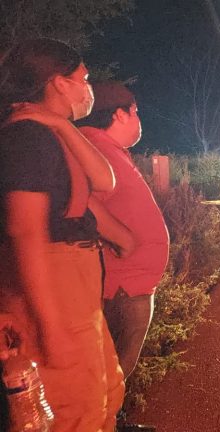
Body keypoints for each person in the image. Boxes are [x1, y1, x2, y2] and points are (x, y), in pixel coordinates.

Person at [0, 38, 124, 431]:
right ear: (58, 82)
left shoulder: (47, 132)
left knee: (102, 396)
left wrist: (58, 123)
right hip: (55, 289)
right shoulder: (26, 140)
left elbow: (105, 180)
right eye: (82, 77)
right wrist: (49, 325)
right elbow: (24, 232)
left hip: (77, 291)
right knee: (71, 410)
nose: (87, 87)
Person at [77, 81, 168, 432]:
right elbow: (78, 196)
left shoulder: (106, 147)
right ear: (119, 113)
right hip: (121, 286)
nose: (138, 119)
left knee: (114, 371)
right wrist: (121, 237)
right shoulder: (89, 146)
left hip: (133, 283)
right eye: (135, 112)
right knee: (108, 370)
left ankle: (110, 420)